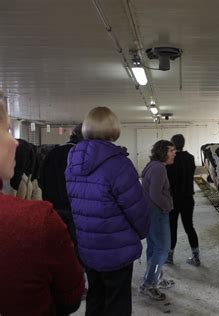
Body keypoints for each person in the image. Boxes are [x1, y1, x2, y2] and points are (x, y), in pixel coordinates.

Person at [0, 100, 85, 315]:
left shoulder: (55, 153)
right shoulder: (34, 221)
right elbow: (70, 298)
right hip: (68, 209)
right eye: (7, 130)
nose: (16, 142)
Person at [65, 106, 149, 316]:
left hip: (88, 245)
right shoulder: (119, 164)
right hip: (116, 247)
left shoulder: (72, 161)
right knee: (117, 301)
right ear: (113, 128)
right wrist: (143, 231)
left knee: (95, 297)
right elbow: (136, 208)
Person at [140, 140, 176, 301]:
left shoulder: (152, 165)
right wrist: (167, 206)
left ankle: (156, 276)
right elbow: (155, 194)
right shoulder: (159, 169)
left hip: (149, 211)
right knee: (163, 248)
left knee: (154, 247)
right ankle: (149, 284)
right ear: (162, 152)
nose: (174, 153)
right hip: (157, 212)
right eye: (171, 151)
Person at [40, 123, 83, 251]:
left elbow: (41, 178)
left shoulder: (53, 152)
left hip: (54, 207)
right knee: (76, 248)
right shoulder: (81, 155)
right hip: (75, 209)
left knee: (59, 246)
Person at [166, 134, 200, 266]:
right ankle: (196, 257)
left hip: (173, 199)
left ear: (172, 145)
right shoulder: (190, 158)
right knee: (189, 227)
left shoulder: (170, 160)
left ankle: (169, 257)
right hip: (187, 198)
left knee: (172, 228)